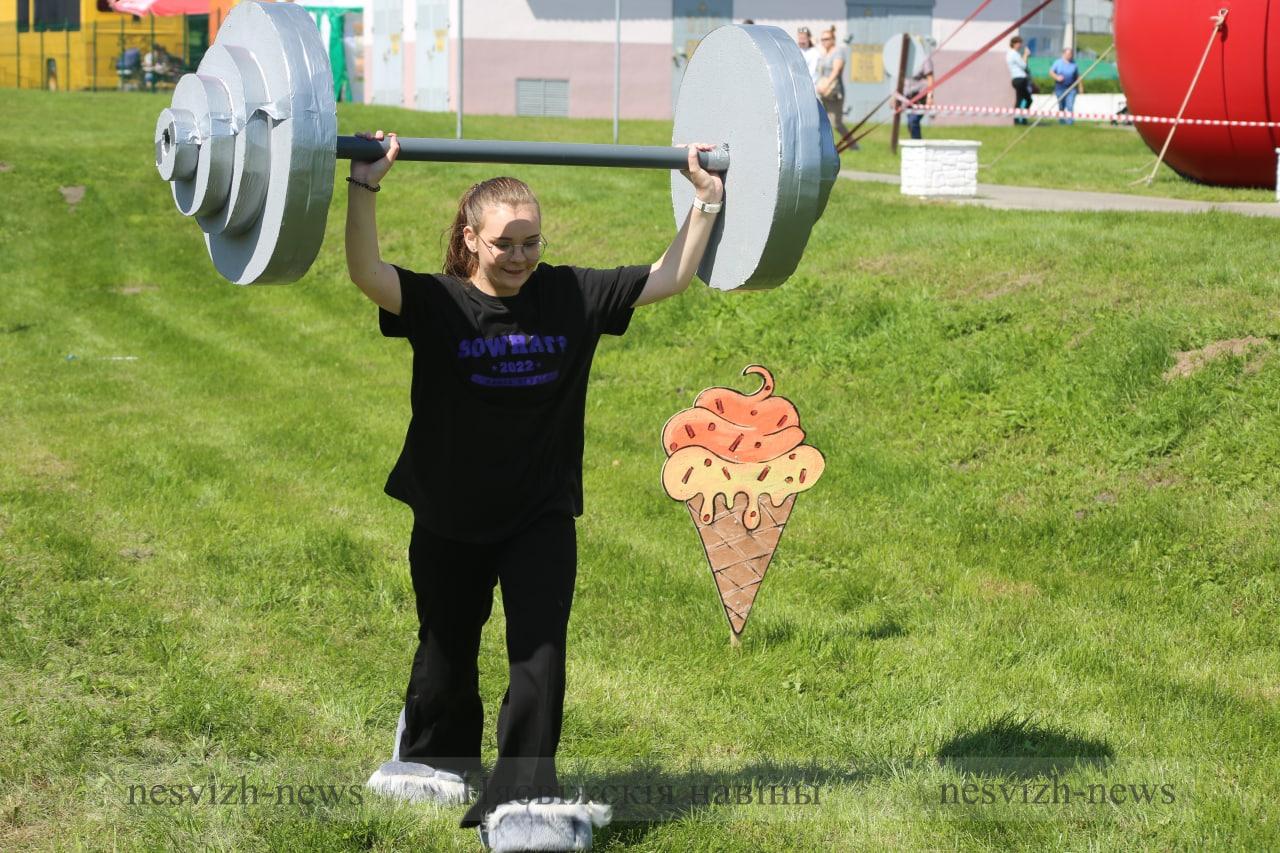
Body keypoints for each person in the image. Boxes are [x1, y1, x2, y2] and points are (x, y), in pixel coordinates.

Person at [345, 130, 724, 837]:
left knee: (539, 651)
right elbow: (367, 272)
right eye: (505, 243)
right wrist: (363, 187)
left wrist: (704, 205)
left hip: (538, 512)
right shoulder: (440, 302)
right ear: (470, 237)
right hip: (449, 509)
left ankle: (523, 794)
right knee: (447, 646)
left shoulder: (570, 294)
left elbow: (666, 279)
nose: (519, 256)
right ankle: (433, 755)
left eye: (531, 242)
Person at [815, 27, 854, 149]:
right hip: (823, 92)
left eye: (827, 39)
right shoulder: (825, 54)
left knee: (836, 123)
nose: (824, 41)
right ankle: (824, 146)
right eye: (822, 39)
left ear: (833, 39)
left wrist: (826, 85)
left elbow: (836, 71)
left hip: (834, 92)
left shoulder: (838, 52)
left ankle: (853, 145)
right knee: (821, 121)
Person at [902, 50, 934, 140]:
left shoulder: (924, 57)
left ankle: (917, 145)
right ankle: (916, 143)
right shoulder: (906, 58)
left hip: (920, 96)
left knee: (913, 121)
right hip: (908, 97)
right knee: (910, 123)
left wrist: (930, 97)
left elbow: (930, 78)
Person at [1050, 46, 1082, 125]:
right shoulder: (1058, 62)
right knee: (1061, 106)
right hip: (1060, 88)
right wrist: (1057, 77)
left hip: (1071, 88)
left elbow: (1078, 76)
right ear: (1064, 54)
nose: (1069, 56)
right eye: (1068, 54)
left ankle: (1070, 122)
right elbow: (1051, 72)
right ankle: (1062, 121)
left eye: (1071, 54)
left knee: (1070, 105)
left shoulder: (1074, 64)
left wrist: (1080, 87)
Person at [1006, 36, 1032, 125]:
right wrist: (1026, 55)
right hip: (1020, 79)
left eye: (1020, 43)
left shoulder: (1012, 54)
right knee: (1027, 100)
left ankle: (1018, 119)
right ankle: (1021, 119)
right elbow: (1024, 65)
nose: (1019, 45)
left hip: (1016, 79)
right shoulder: (1014, 54)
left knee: (1020, 99)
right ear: (1013, 44)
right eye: (1017, 43)